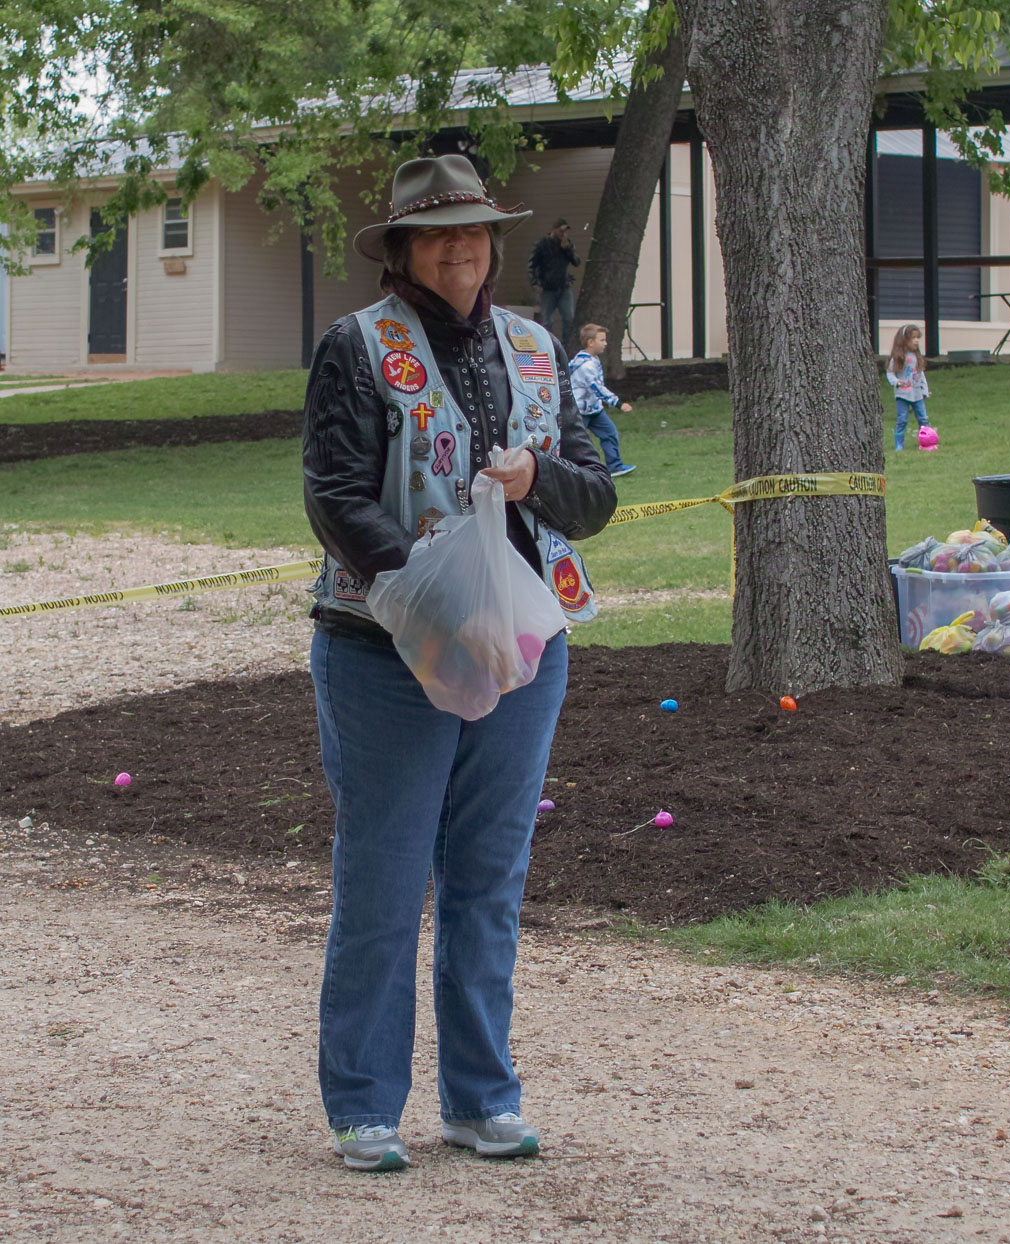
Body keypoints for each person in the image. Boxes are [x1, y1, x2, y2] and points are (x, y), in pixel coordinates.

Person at [303, 154, 618, 1171]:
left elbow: (595, 495)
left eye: (475, 231)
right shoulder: (356, 346)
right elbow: (333, 491)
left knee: (488, 880)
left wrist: (536, 476)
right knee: (385, 880)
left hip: (523, 648)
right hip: (384, 649)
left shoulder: (536, 347)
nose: (459, 249)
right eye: (437, 234)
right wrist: (421, 591)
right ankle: (363, 1104)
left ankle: (481, 1099)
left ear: (493, 243)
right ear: (401, 250)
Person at [569, 322, 637, 477]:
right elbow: (597, 388)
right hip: (579, 411)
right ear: (590, 342)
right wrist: (618, 404)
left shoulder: (593, 359)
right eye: (602, 340)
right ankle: (573, 471)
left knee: (609, 433)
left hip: (594, 409)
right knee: (577, 442)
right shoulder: (586, 365)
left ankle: (615, 466)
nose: (605, 343)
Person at [528, 218, 580, 344]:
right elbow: (531, 265)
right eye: (561, 231)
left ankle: (566, 347)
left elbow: (576, 262)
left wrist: (567, 249)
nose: (564, 234)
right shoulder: (542, 244)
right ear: (554, 230)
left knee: (569, 318)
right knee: (547, 321)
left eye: (565, 231)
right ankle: (549, 346)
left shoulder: (567, 244)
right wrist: (535, 282)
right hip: (547, 288)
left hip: (564, 287)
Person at [886, 323, 931, 451]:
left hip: (917, 394)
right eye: (913, 338)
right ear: (904, 339)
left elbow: (921, 375)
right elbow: (890, 372)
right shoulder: (897, 358)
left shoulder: (917, 357)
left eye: (917, 338)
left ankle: (926, 441)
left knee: (923, 418)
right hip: (903, 394)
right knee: (902, 420)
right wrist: (896, 382)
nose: (916, 341)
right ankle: (899, 445)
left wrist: (925, 390)